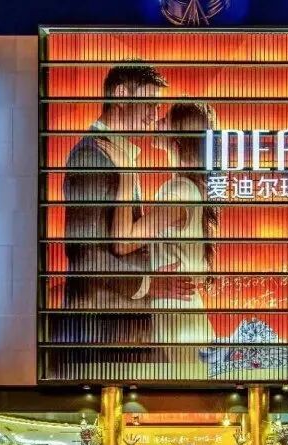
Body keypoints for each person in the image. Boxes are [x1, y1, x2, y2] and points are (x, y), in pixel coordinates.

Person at [60, 64, 195, 363]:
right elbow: (86, 255)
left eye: (158, 107)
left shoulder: (117, 155)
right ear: (121, 95)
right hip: (102, 334)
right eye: (150, 103)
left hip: (123, 330)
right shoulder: (91, 155)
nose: (154, 114)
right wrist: (149, 283)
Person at [104, 103, 219, 361]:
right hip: (180, 313)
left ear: (178, 135)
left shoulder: (179, 191)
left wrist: (126, 174)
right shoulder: (187, 187)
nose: (157, 122)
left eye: (165, 119)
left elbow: (123, 243)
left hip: (177, 318)